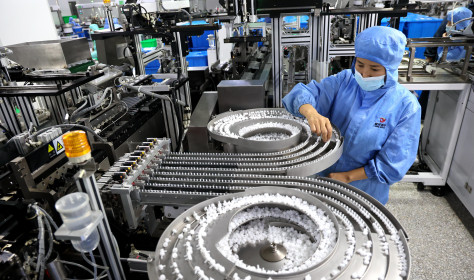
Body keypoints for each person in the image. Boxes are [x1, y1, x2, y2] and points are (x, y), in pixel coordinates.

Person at [282, 26, 421, 205]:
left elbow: (393, 163)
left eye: (375, 69)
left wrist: (347, 177)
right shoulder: (345, 80)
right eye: (360, 64)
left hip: (364, 190)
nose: (364, 73)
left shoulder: (406, 106)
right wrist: (310, 112)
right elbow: (304, 93)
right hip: (321, 178)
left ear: (391, 68)